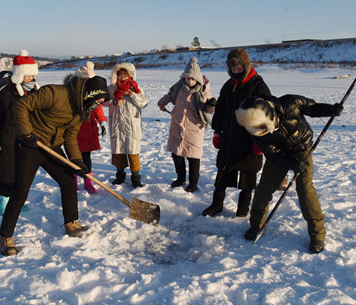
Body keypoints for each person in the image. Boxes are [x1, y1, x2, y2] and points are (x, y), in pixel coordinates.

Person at [0, 74, 110, 256]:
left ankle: (71, 223)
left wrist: (76, 161)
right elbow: (21, 105)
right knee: (21, 191)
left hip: (52, 147)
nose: (99, 105)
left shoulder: (82, 109)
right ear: (91, 94)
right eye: (99, 100)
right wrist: (26, 133)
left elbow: (71, 136)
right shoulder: (54, 93)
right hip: (30, 145)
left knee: (68, 181)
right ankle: (5, 238)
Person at [235, 95, 343, 253]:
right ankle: (256, 225)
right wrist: (292, 164)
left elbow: (312, 108)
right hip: (280, 156)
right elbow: (273, 155)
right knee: (264, 189)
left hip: (303, 149)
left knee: (305, 190)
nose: (259, 132)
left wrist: (330, 110)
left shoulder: (290, 103)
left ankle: (317, 234)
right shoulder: (253, 128)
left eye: (262, 128)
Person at [202, 48, 271, 218]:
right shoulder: (229, 85)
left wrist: (260, 140)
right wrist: (217, 131)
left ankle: (243, 209)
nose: (235, 71)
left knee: (248, 176)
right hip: (229, 138)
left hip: (249, 141)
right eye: (232, 69)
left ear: (246, 66)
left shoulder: (258, 85)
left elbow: (268, 114)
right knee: (223, 172)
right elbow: (220, 111)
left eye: (239, 68)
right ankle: (217, 204)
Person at [0, 50, 39, 214]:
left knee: (20, 171)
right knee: (6, 171)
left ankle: (16, 201)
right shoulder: (7, 92)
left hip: (24, 137)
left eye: (32, 75)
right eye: (28, 75)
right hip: (6, 138)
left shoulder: (34, 90)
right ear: (20, 74)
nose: (31, 78)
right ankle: (5, 202)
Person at [157, 57, 216, 192]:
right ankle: (181, 178)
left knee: (193, 157)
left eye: (193, 78)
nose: (190, 81)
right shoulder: (179, 88)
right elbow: (170, 96)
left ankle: (193, 183)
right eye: (187, 78)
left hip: (194, 128)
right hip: (177, 124)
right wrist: (162, 102)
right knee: (176, 154)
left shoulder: (203, 92)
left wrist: (212, 106)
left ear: (198, 79)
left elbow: (210, 110)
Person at [108, 62, 148, 188]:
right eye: (120, 75)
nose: (122, 78)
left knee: (133, 152)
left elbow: (143, 103)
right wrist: (114, 101)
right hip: (117, 124)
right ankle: (119, 176)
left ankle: (136, 178)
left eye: (125, 75)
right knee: (118, 152)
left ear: (130, 75)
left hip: (132, 125)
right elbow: (103, 101)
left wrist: (131, 95)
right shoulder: (112, 88)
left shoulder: (136, 88)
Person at [74, 61, 108, 194]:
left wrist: (102, 122)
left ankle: (88, 181)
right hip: (75, 130)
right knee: (75, 157)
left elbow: (98, 109)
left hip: (88, 130)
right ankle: (74, 180)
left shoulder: (93, 92)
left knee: (86, 157)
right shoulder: (74, 91)